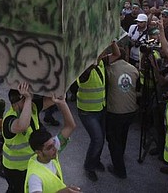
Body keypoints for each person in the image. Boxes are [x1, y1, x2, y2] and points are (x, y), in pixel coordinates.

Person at [24, 95, 80, 193]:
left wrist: (62, 102)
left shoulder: (52, 149)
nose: (55, 148)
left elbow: (70, 126)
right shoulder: (35, 177)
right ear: (39, 152)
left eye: (53, 143)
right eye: (50, 147)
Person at [104, 41, 138, 179]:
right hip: (131, 110)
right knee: (123, 135)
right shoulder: (133, 69)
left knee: (113, 139)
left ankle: (119, 169)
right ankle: (121, 155)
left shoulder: (109, 69)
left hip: (115, 112)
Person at [2, 82, 44, 193]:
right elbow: (22, 126)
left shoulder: (32, 108)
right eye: (24, 100)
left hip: (31, 165)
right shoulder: (9, 119)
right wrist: (28, 99)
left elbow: (53, 100)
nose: (27, 102)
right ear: (14, 105)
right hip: (15, 170)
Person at [76, 50, 107, 182]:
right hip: (87, 111)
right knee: (97, 139)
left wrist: (111, 43)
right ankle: (89, 166)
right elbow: (91, 66)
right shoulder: (83, 70)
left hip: (100, 107)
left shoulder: (100, 64)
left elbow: (116, 55)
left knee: (101, 138)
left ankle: (96, 160)